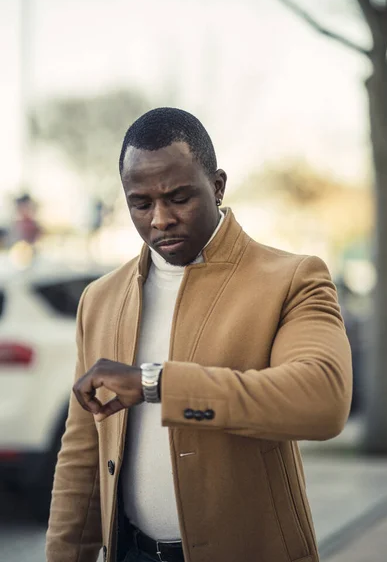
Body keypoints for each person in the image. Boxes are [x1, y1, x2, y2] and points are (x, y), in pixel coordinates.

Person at [46, 108, 352, 562]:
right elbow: (82, 453)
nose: (161, 219)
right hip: (132, 553)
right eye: (141, 203)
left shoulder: (292, 279)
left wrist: (155, 384)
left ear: (219, 185)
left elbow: (323, 401)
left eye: (179, 197)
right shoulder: (100, 299)